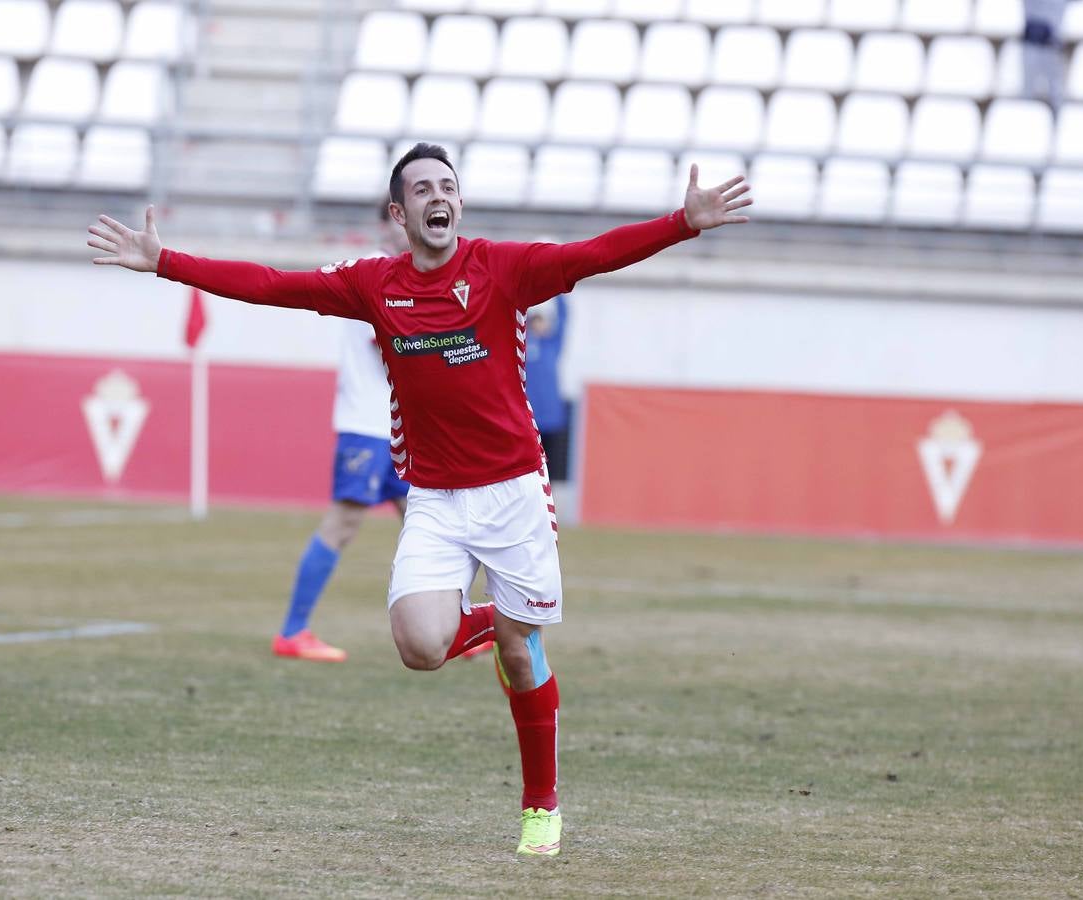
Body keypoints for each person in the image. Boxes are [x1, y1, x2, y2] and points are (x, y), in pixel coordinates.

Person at [86, 142, 752, 857]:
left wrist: (682, 223)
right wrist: (166, 262)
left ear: (458, 204)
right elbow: (274, 284)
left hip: (513, 494)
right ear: (400, 213)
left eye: (449, 186)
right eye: (423, 189)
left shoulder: (502, 268)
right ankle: (507, 620)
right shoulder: (375, 284)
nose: (440, 197)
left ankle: (541, 805)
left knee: (523, 658)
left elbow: (592, 254)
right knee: (419, 646)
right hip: (433, 496)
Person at [272, 203, 415, 662]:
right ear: (386, 222)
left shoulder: (404, 276)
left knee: (427, 522)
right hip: (366, 426)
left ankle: (456, 623)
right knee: (343, 524)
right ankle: (293, 631)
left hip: (395, 431)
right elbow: (395, 346)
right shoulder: (375, 273)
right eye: (397, 218)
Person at [523, 294, 570, 482]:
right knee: (531, 465)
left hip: (551, 416)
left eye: (543, 322)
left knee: (550, 465)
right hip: (530, 418)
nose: (541, 326)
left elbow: (565, 318)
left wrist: (558, 291)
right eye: (537, 322)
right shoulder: (525, 346)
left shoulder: (553, 345)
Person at [1022, 0, 1083, 113]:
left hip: (1053, 47)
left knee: (1056, 94)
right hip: (1030, 46)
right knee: (1027, 95)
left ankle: (1057, 121)